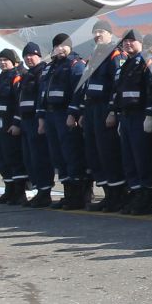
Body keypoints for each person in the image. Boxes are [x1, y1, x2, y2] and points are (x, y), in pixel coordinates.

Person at [109, 30, 152, 213]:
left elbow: (151, 91)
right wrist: (115, 114)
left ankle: (148, 196)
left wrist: (149, 115)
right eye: (125, 41)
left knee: (143, 157)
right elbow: (118, 92)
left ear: (140, 43)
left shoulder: (146, 63)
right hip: (126, 116)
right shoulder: (125, 66)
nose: (128, 44)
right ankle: (137, 192)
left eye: (132, 41)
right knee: (130, 159)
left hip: (140, 116)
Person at [76, 21, 126, 211]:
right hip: (91, 110)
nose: (97, 35)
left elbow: (117, 85)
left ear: (110, 34)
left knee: (109, 152)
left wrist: (112, 110)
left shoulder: (115, 55)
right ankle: (107, 193)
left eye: (101, 32)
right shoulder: (93, 56)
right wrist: (82, 111)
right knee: (94, 153)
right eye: (95, 32)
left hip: (105, 109)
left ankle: (117, 195)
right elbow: (85, 86)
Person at [42, 33, 90, 209]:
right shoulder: (52, 67)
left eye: (63, 45)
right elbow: (44, 93)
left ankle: (78, 196)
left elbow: (78, 92)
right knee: (59, 156)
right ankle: (68, 193)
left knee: (72, 154)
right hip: (52, 115)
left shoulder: (75, 65)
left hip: (66, 115)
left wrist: (73, 113)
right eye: (56, 46)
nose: (59, 49)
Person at [14, 41, 55, 207]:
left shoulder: (43, 74)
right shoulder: (27, 76)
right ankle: (39, 190)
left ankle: (45, 192)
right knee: (30, 158)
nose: (29, 58)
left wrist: (41, 119)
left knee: (40, 157)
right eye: (26, 56)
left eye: (32, 55)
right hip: (25, 121)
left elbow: (42, 98)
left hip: (36, 120)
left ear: (39, 56)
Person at [0, 48, 28, 204]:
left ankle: (20, 192)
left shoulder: (16, 78)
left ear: (14, 62)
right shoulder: (0, 79)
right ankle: (9, 190)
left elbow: (19, 102)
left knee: (13, 158)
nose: (2, 63)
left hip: (9, 125)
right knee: (0, 157)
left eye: (6, 60)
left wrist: (16, 122)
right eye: (0, 60)